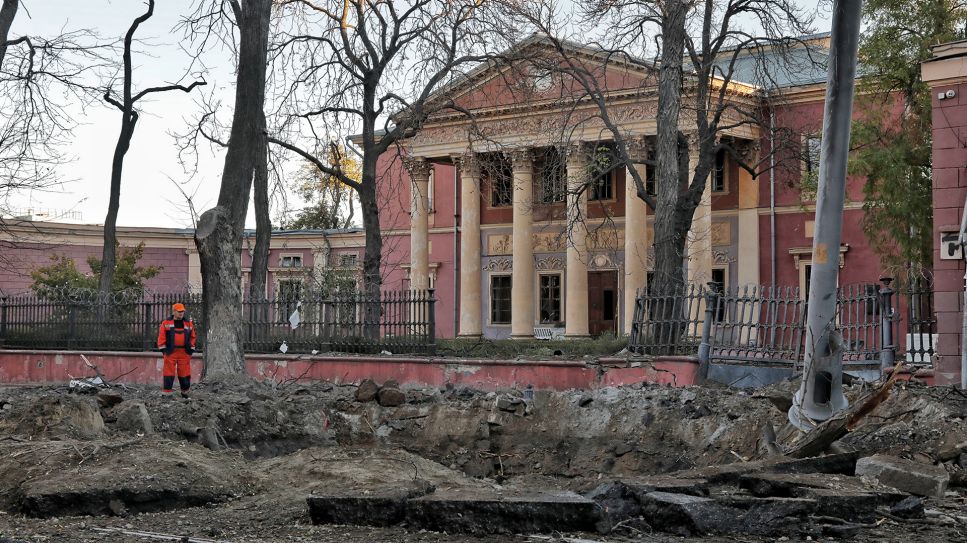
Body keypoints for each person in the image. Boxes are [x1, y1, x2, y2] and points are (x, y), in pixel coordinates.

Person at [157, 302, 197, 399]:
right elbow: (161, 337)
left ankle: (185, 393)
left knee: (185, 373)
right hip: (171, 352)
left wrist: (190, 350)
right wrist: (164, 350)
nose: (181, 313)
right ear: (174, 311)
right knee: (168, 373)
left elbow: (193, 337)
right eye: (179, 311)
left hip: (184, 353)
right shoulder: (166, 323)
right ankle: (167, 394)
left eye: (182, 311)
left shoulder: (188, 323)